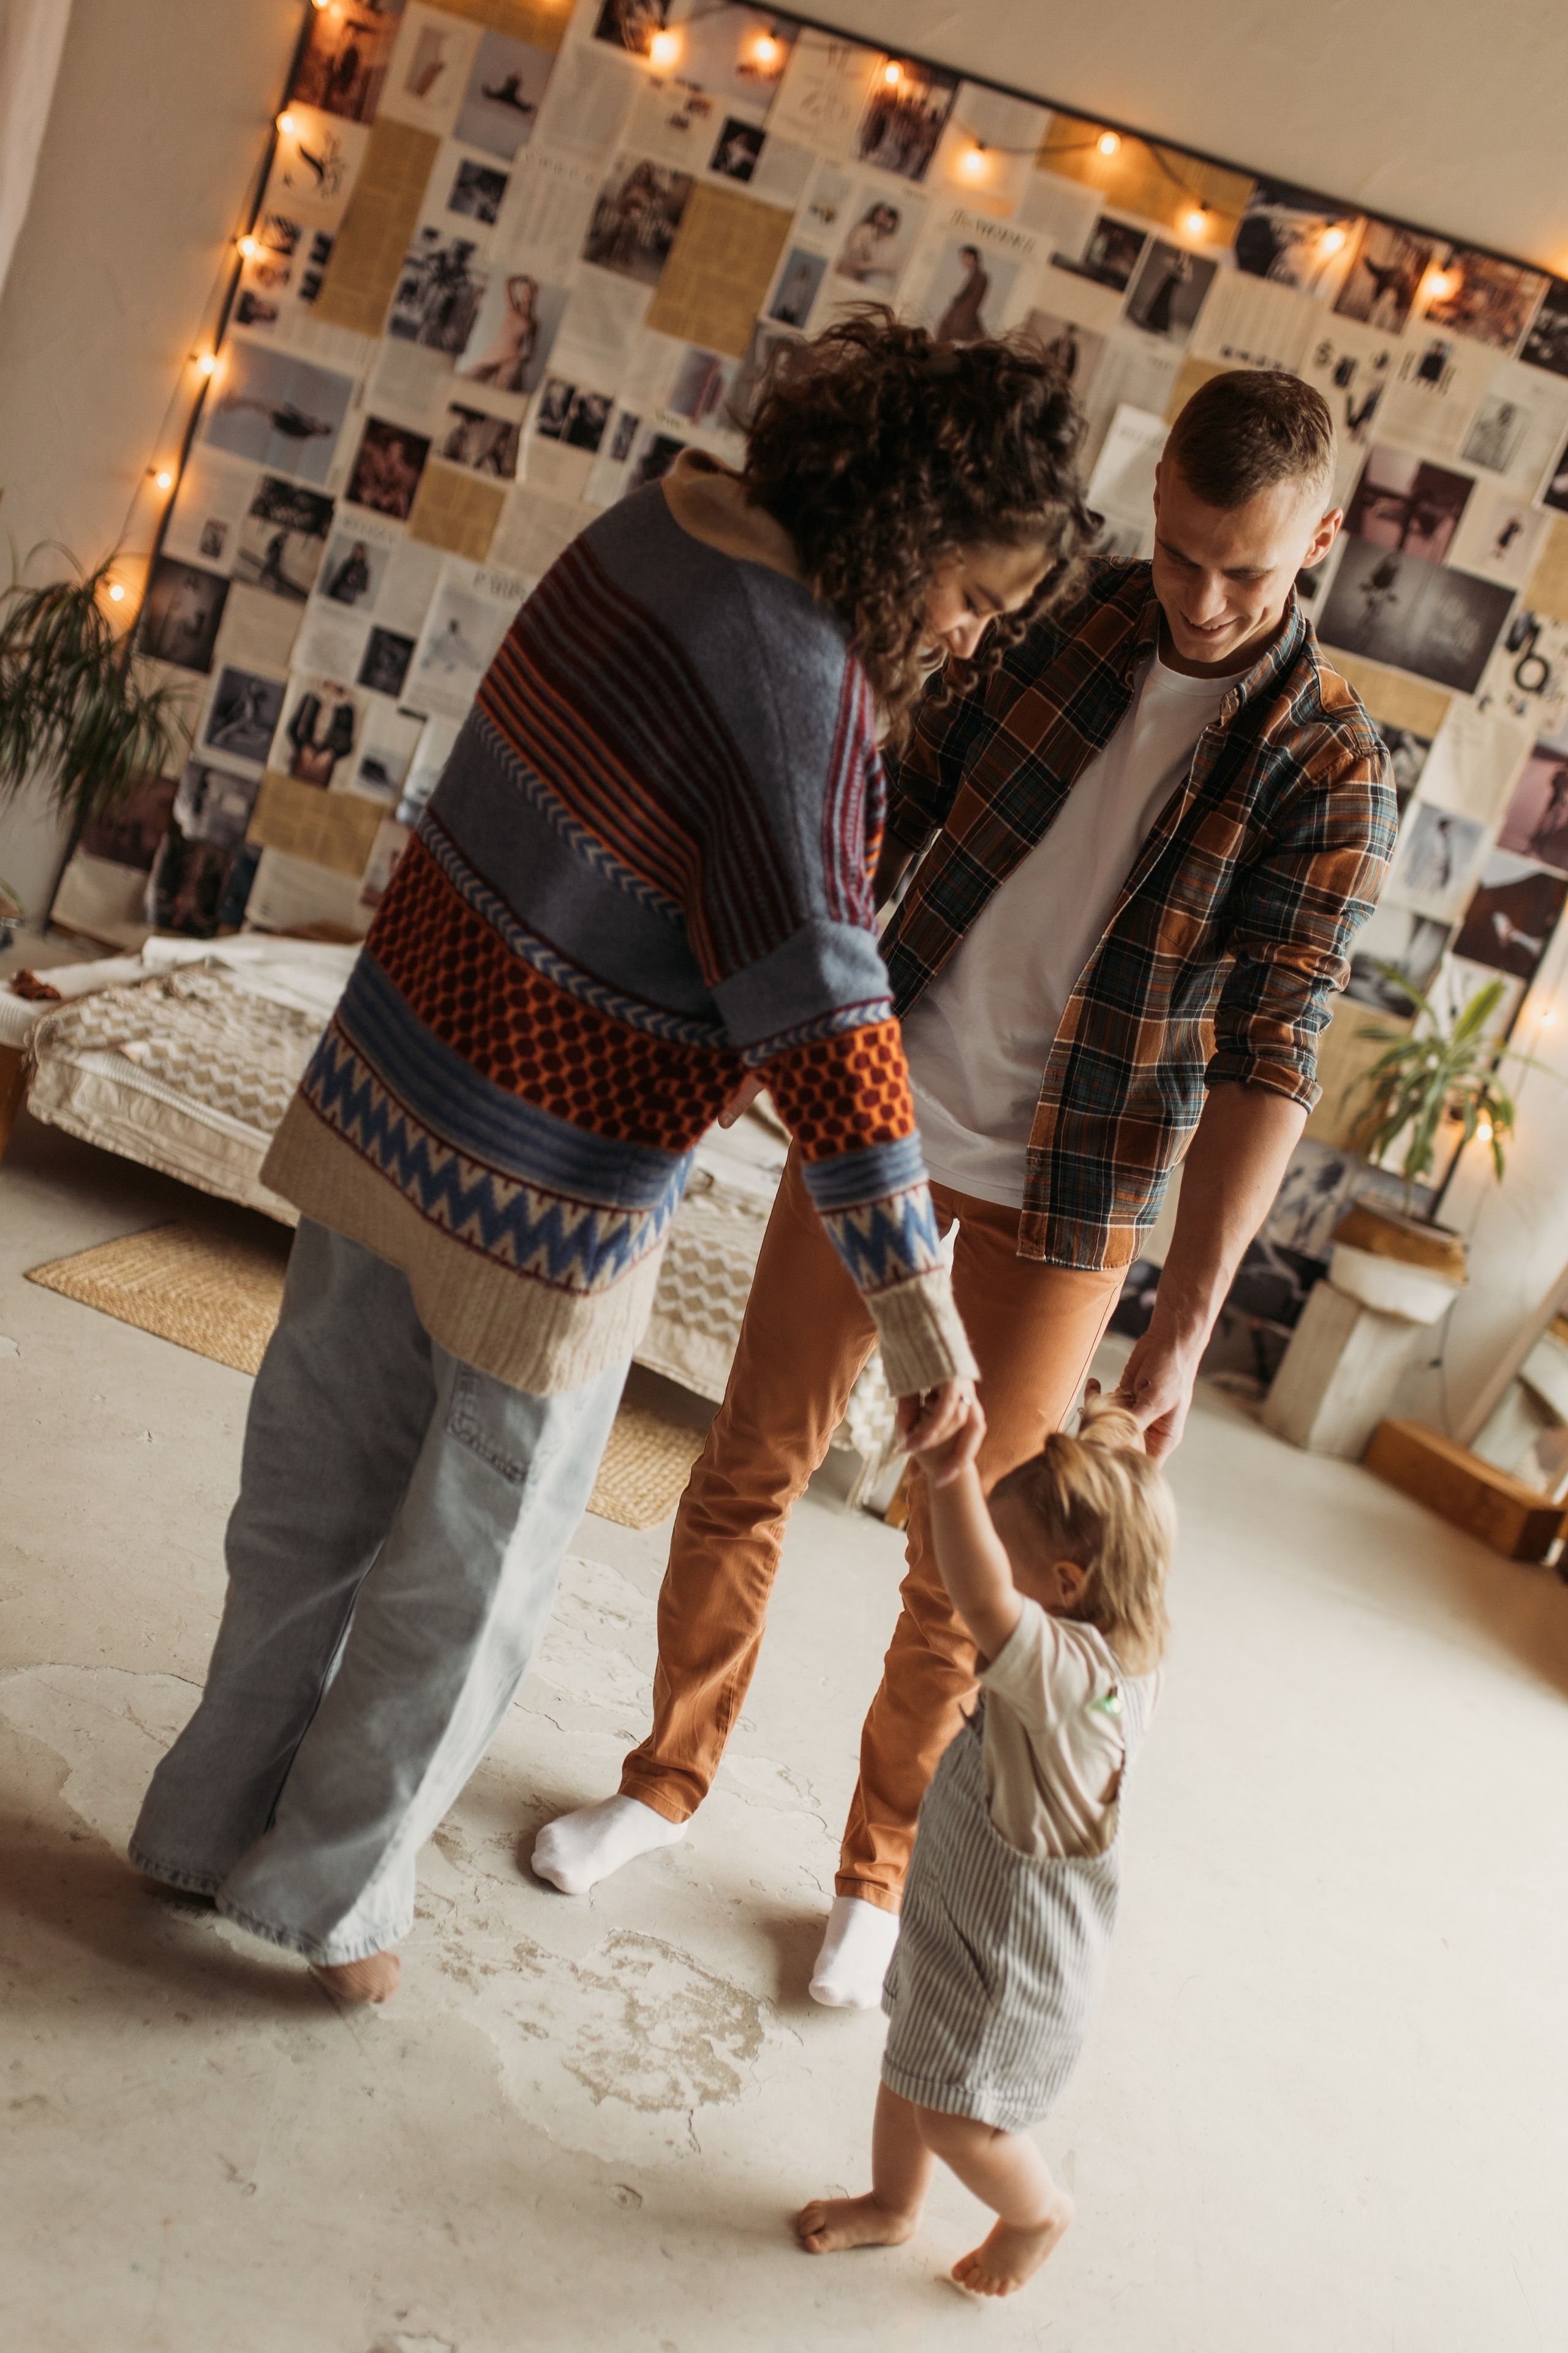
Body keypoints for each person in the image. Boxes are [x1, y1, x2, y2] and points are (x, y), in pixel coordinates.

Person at [129, 314, 1095, 2006]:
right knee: (469, 1573)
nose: (967, 637)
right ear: (912, 532)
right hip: (543, 1190)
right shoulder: (801, 681)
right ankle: (329, 1909)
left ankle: (203, 1826)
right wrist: (925, 1327)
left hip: (392, 1088)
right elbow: (831, 1012)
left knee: (306, 1500)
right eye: (976, 595)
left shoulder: (651, 525)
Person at [535, 368, 1396, 2009]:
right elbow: (881, 807)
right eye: (1179, 554)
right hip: (885, 1124)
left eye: (1249, 572)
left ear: (1325, 544)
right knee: (749, 1464)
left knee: (964, 1561)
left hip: (1070, 1205)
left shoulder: (1329, 762)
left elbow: (1271, 1053)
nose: (1203, 601)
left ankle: (868, 1875)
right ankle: (663, 1780)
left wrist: (1184, 1332)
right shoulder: (1062, 619)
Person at [796, 1386, 1173, 2297]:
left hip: (1014, 1969)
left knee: (958, 2119)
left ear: (1068, 1585)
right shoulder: (1091, 1635)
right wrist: (1115, 1421)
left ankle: (1038, 2211)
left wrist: (952, 1469)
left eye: (1012, 1561)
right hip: (959, 1922)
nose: (992, 1578)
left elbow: (980, 1594)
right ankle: (893, 2205)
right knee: (910, 2061)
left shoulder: (1076, 1681)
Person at [462, 273, 541, 392]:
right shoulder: (513, 309)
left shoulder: (534, 322)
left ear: (535, 294)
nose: (527, 294)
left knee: (503, 389)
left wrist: (522, 359)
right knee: (470, 378)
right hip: (495, 353)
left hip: (512, 360)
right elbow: (508, 281)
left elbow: (532, 350)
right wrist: (526, 278)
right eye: (524, 290)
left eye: (530, 291)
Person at [937, 246, 989, 343]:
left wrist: (957, 299)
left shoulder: (980, 277)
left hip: (963, 318)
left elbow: (971, 299)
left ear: (971, 258)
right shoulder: (976, 275)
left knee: (944, 332)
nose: (963, 262)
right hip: (963, 316)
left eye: (964, 258)